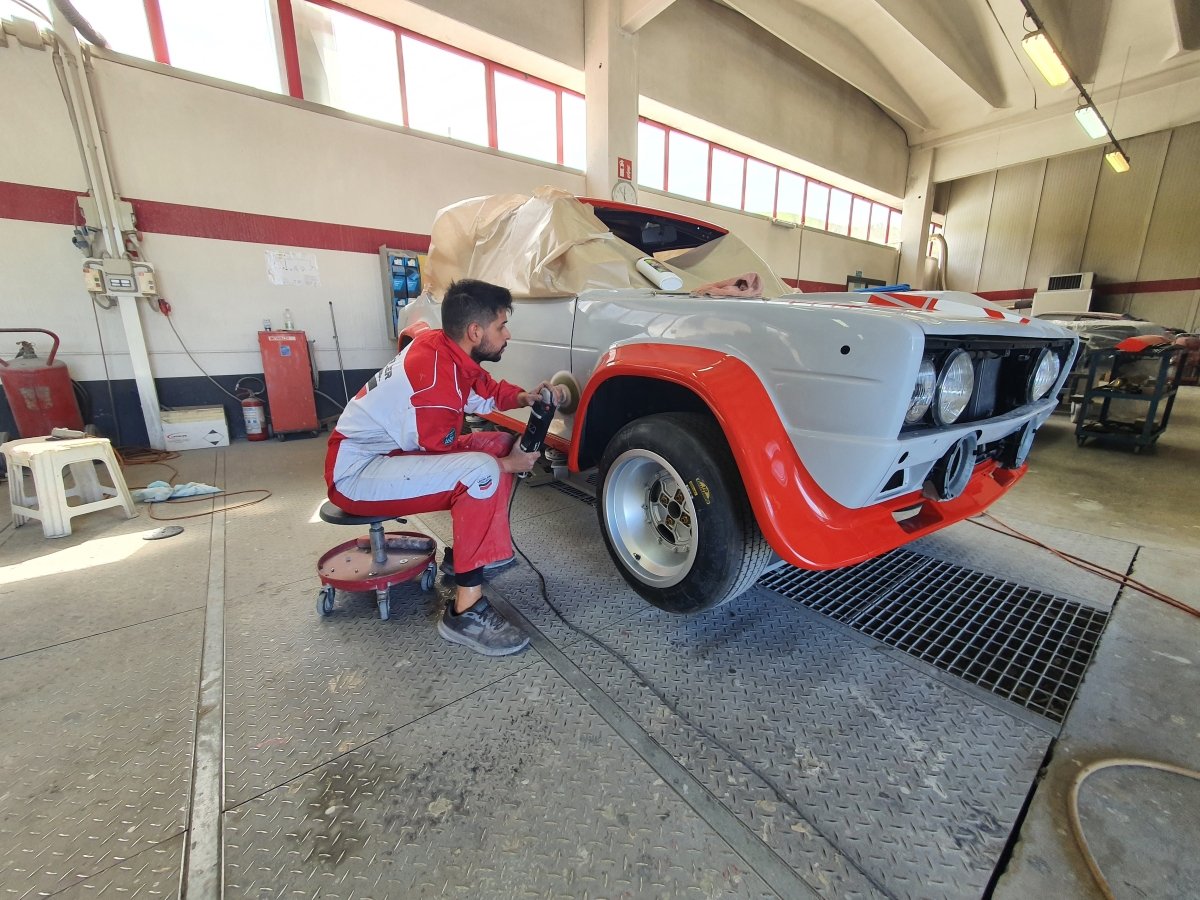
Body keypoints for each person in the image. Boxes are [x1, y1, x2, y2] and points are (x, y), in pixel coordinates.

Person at [325, 278, 568, 656]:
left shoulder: (444, 347)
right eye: (501, 325)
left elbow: (482, 389)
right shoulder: (434, 383)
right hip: (357, 475)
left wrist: (523, 397)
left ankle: (473, 556)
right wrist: (510, 463)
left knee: (496, 443)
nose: (508, 334)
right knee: (484, 470)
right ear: (475, 331)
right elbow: (444, 450)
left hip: (390, 453)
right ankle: (465, 610)